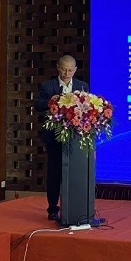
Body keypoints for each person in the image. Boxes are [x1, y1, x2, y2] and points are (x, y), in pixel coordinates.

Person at [35, 55, 89, 222]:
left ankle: (75, 207)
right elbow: (37, 105)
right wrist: (51, 102)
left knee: (74, 173)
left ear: (75, 70)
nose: (67, 73)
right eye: (64, 70)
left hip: (75, 137)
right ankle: (52, 208)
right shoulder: (47, 86)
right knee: (54, 172)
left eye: (70, 70)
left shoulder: (82, 86)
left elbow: (87, 108)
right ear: (58, 67)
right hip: (54, 136)